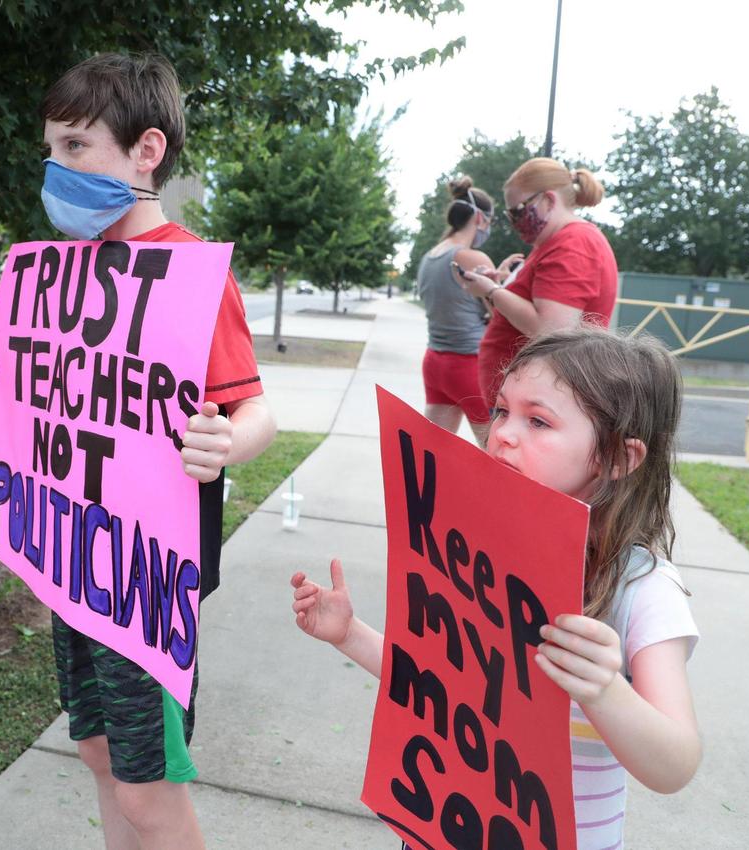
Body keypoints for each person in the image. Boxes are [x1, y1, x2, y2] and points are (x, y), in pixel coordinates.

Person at [0, 53, 276, 850]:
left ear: (146, 151)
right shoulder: (60, 271)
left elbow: (258, 416)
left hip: (144, 584)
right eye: (51, 150)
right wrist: (3, 370)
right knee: (97, 753)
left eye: (76, 146)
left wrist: (224, 441)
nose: (56, 167)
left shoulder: (190, 273)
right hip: (74, 563)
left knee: (147, 791)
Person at [290, 326, 700, 850]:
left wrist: (605, 690)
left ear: (618, 458)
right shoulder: (472, 550)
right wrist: (350, 636)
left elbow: (675, 764)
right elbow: (443, 683)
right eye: (503, 410)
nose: (501, 432)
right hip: (446, 824)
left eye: (538, 421)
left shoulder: (641, 588)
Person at [455, 157, 619, 407]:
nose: (514, 221)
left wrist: (493, 290)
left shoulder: (572, 245)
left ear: (549, 200)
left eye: (517, 211)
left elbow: (550, 330)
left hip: (535, 407)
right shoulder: (556, 242)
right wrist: (494, 290)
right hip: (528, 404)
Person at [416, 177, 496, 441]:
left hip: (435, 362)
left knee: (433, 455)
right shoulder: (471, 257)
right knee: (496, 456)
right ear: (479, 218)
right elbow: (500, 316)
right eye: (490, 221)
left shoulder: (430, 256)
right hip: (469, 365)